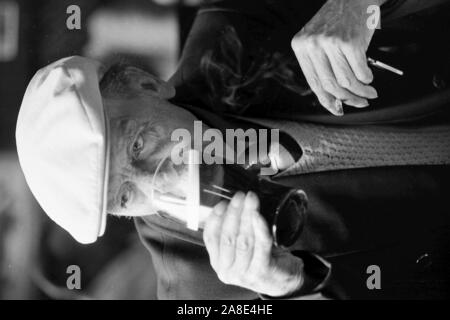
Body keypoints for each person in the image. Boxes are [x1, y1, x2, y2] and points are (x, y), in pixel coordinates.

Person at [16, 0, 450, 299]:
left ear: (145, 84)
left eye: (139, 144)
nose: (161, 178)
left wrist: (359, 5)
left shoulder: (234, 23)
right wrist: (291, 287)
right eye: (126, 196)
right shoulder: (194, 292)